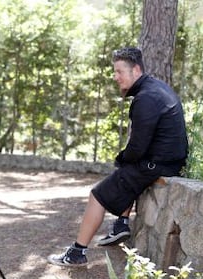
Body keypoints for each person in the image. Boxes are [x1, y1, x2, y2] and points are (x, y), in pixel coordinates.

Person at [47, 47, 188, 266]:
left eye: (119, 71)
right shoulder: (155, 89)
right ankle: (121, 224)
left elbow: (138, 147)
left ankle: (77, 253)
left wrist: (121, 158)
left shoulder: (146, 98)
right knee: (125, 170)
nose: (115, 77)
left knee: (97, 195)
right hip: (166, 162)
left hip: (157, 165)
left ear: (136, 70)